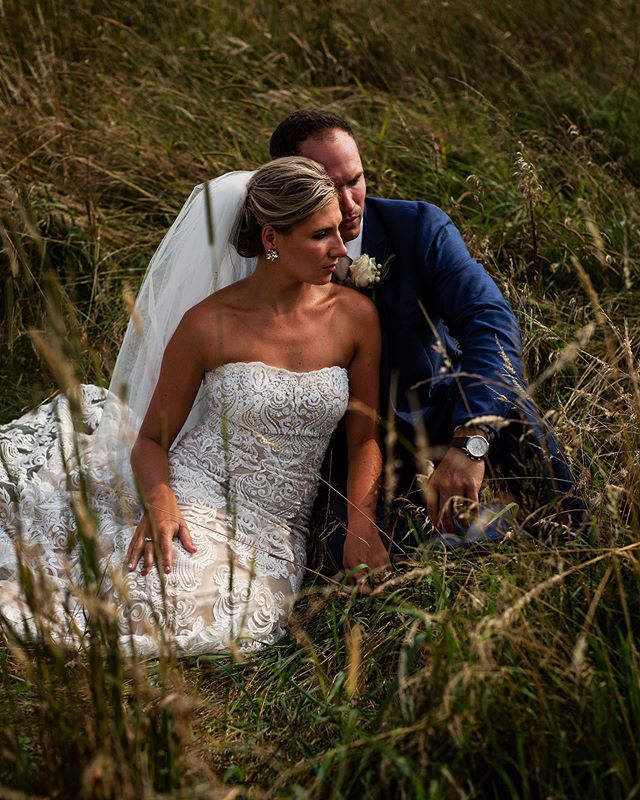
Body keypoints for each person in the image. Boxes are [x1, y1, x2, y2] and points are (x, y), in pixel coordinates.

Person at [0, 157, 390, 657]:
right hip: (194, 492)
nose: (341, 248)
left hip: (274, 525)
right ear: (272, 240)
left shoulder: (356, 317)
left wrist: (361, 526)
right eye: (320, 236)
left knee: (229, 616)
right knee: (155, 597)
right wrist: (161, 505)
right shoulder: (208, 323)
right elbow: (152, 440)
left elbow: (365, 437)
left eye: (339, 230)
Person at [269, 110, 587, 561]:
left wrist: (471, 439)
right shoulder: (273, 256)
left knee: (510, 409)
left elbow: (488, 318)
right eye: (329, 188)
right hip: (343, 441)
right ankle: (497, 529)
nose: (350, 202)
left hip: (436, 410)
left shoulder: (418, 227)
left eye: (356, 180)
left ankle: (570, 538)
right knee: (348, 553)